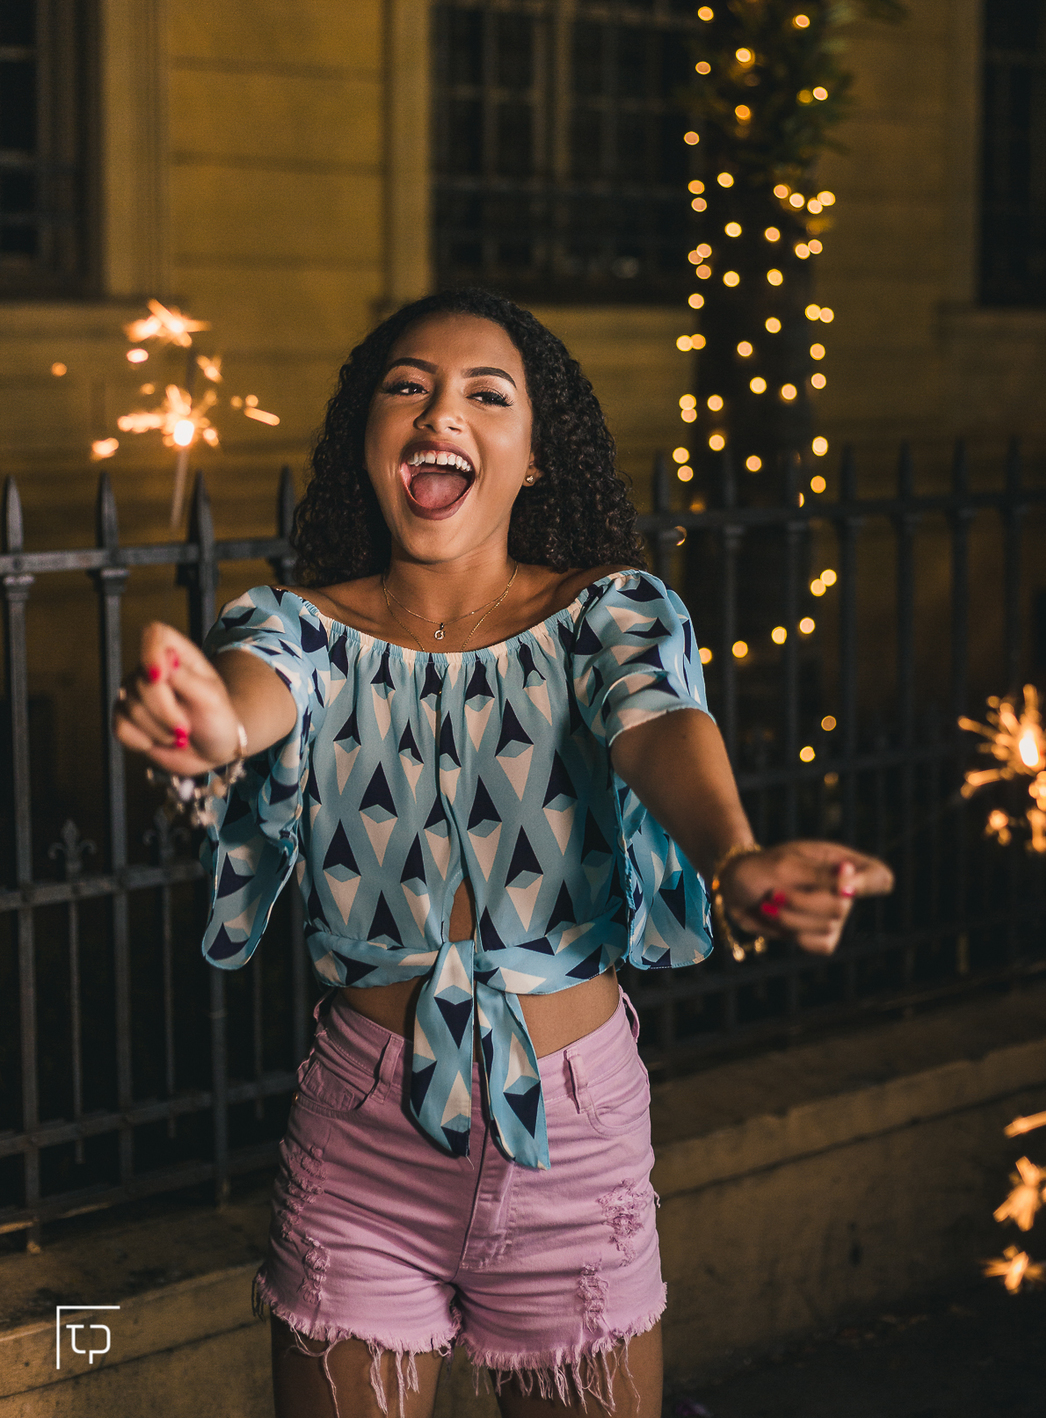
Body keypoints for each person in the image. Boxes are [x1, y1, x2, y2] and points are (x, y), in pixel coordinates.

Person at [113, 288, 892, 1418]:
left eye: (488, 393)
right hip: (362, 1146)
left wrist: (732, 857)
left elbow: (658, 719)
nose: (442, 412)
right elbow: (249, 701)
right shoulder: (298, 626)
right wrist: (210, 729)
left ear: (533, 459)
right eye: (407, 387)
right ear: (370, 445)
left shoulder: (604, 615)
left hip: (573, 1144)